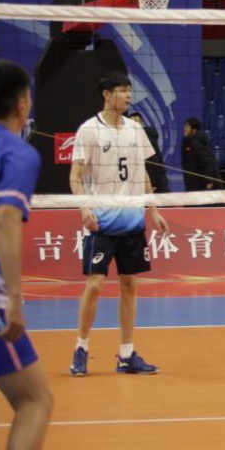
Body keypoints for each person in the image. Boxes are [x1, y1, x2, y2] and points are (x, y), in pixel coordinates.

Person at [0, 61, 65, 450]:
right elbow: (5, 220)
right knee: (36, 400)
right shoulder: (16, 152)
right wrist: (14, 297)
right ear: (23, 104)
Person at [70, 70, 169, 377]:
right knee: (95, 285)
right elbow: (75, 175)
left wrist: (153, 208)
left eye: (129, 91)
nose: (128, 96)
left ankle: (126, 354)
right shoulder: (88, 130)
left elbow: (143, 174)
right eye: (122, 91)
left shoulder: (135, 130)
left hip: (132, 220)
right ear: (106, 94)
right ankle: (81, 348)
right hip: (102, 220)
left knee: (129, 284)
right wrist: (83, 207)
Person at [127, 111, 169, 194]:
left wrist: (152, 184)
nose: (134, 125)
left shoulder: (147, 139)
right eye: (131, 122)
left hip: (153, 184)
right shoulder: (130, 138)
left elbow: (152, 163)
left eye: (136, 122)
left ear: (141, 123)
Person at [180, 117, 221, 191]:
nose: (185, 128)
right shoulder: (189, 143)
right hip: (193, 182)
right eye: (185, 126)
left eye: (187, 127)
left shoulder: (195, 144)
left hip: (199, 184)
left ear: (194, 130)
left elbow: (206, 163)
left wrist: (209, 181)